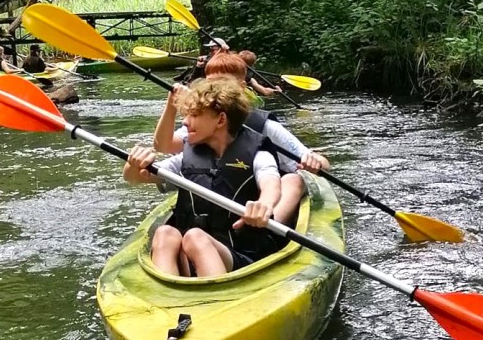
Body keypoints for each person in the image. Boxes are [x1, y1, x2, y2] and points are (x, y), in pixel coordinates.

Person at [124, 77, 283, 278]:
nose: (185, 121)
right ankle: (169, 298)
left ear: (221, 120)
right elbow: (134, 178)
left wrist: (264, 205)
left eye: (195, 115)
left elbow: (271, 184)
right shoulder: (187, 158)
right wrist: (132, 164)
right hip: (192, 254)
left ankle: (215, 300)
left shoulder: (258, 155)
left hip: (241, 257)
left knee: (195, 237)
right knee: (165, 233)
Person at [152, 52, 330, 228]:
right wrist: (171, 106)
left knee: (293, 180)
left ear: (241, 86)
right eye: (209, 82)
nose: (213, 88)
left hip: (261, 191)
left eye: (222, 82)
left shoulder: (264, 126)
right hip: (225, 188)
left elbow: (321, 163)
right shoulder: (202, 125)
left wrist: (315, 162)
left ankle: (270, 229)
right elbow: (164, 145)